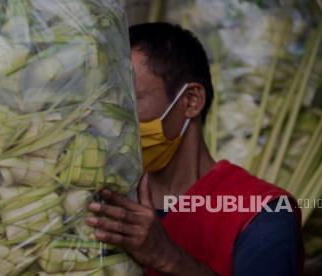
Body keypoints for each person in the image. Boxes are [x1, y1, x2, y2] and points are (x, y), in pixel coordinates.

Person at [84, 22, 304, 276]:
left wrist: (166, 257)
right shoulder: (105, 203)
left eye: (129, 100)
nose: (113, 123)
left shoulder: (261, 214)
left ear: (191, 101)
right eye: (108, 106)